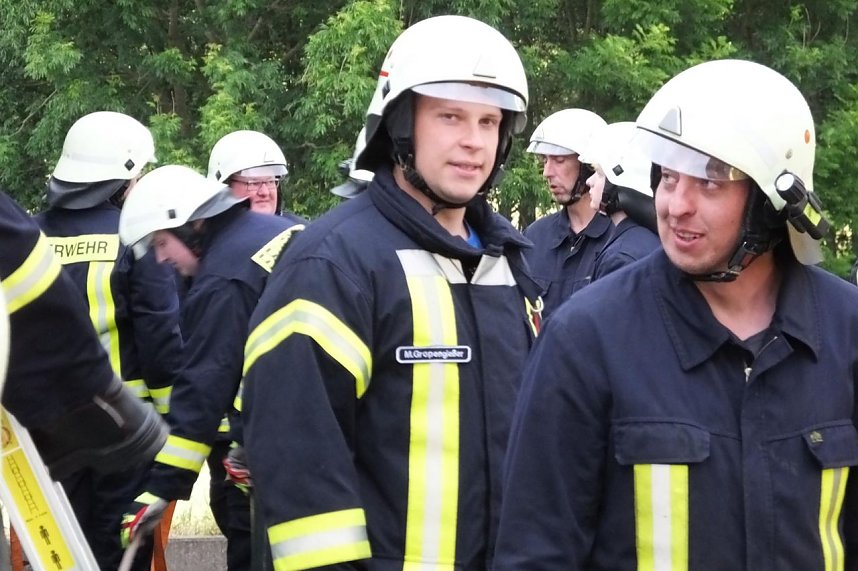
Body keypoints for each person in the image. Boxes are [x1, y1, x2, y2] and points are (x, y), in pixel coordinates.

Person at [493, 59, 857, 569]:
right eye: (667, 178)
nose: (675, 205)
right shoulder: (586, 338)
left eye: (709, 183)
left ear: (772, 202)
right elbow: (535, 552)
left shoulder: (846, 332)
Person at [241, 15, 542, 570]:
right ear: (401, 125)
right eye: (450, 116)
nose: (474, 141)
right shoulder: (332, 264)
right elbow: (301, 476)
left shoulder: (510, 264)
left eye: (489, 121)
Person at [118, 165, 305, 571]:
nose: (162, 258)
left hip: (292, 461)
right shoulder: (276, 233)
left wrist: (159, 490)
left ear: (192, 225)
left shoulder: (225, 277)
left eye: (162, 242)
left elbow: (204, 386)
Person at [31, 110, 184, 570]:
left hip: (43, 434)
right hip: (123, 431)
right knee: (120, 552)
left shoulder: (28, 236)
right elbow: (160, 337)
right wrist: (175, 422)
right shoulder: (135, 236)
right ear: (122, 178)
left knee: (59, 551)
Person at [0, 188, 168, 522]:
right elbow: (159, 334)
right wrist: (171, 415)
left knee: (65, 529)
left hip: (37, 426)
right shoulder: (131, 237)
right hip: (117, 420)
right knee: (114, 537)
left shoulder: (36, 229)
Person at [523, 108, 611, 317]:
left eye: (559, 160)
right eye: (545, 160)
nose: (547, 172)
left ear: (589, 166)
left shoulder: (619, 241)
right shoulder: (534, 238)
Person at [579, 121, 660, 280]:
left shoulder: (622, 258)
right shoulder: (648, 239)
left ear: (619, 181)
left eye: (599, 173)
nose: (590, 181)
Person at [207, 130, 289, 215]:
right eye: (254, 183)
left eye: (270, 181)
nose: (265, 192)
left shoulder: (296, 227)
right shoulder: (205, 227)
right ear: (224, 188)